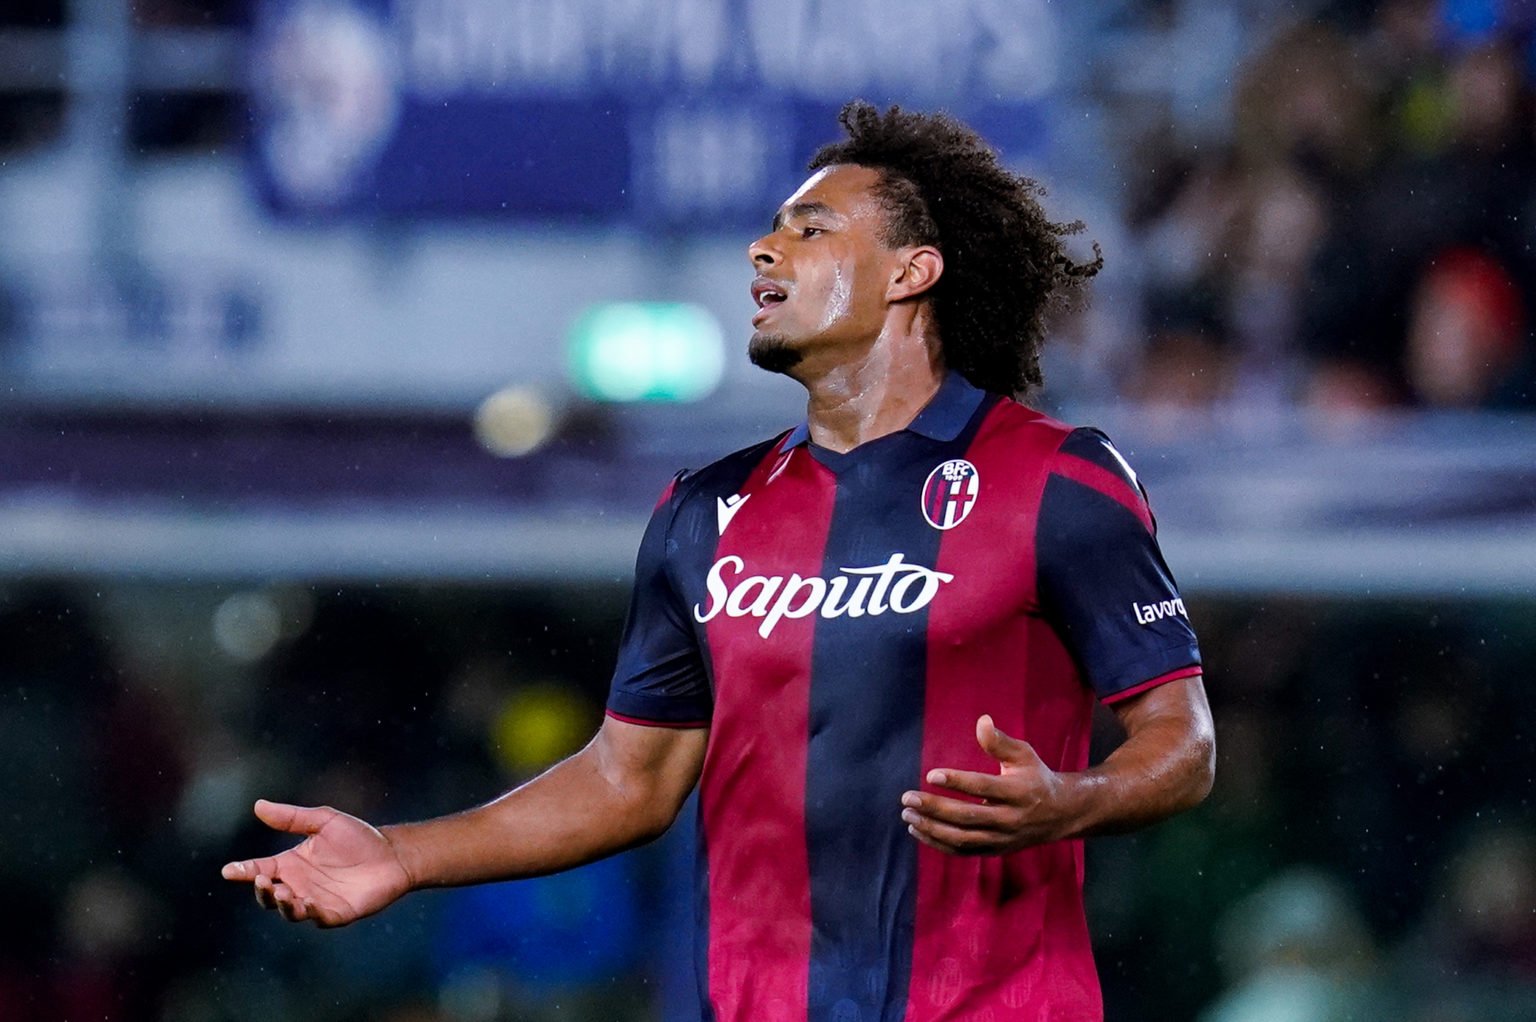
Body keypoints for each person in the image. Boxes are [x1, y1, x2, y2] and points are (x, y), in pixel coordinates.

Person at [223, 102, 1216, 1022]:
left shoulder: (1059, 480)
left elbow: (1184, 741)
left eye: (811, 227)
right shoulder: (705, 513)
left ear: (911, 272)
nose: (764, 247)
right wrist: (402, 851)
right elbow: (630, 775)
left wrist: (1073, 799)